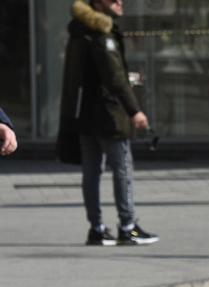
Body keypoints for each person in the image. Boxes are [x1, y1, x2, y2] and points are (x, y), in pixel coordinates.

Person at [59, 0, 158, 247]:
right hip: (108, 112)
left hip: (84, 113)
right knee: (122, 168)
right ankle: (127, 226)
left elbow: (86, 75)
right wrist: (134, 110)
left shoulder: (79, 31)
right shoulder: (101, 32)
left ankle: (97, 228)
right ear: (99, 4)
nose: (120, 2)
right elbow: (114, 77)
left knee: (91, 171)